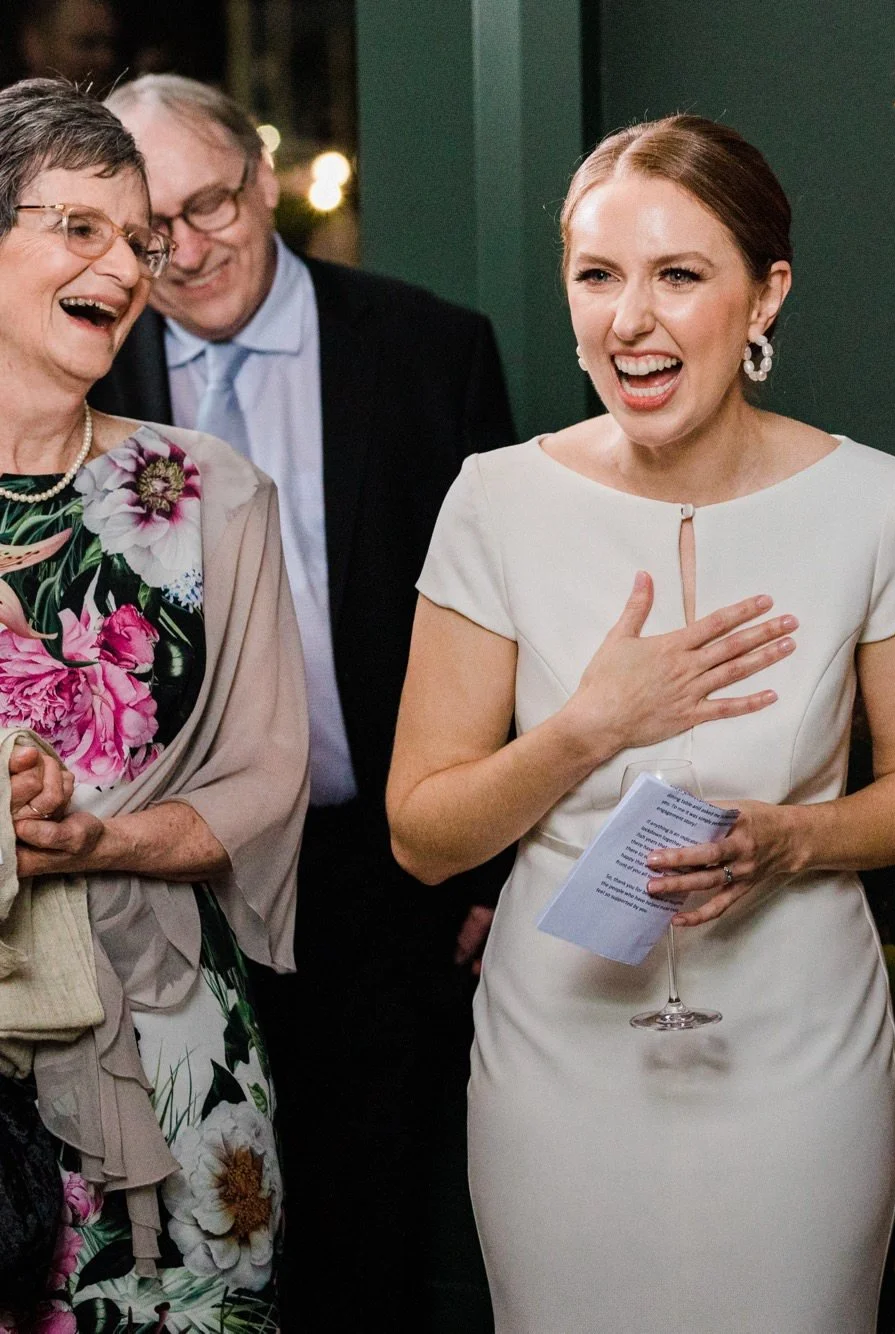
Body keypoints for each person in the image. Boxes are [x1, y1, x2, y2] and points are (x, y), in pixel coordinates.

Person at [386, 114, 895, 1331]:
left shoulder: (877, 504)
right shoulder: (497, 501)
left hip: (797, 1047)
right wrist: (589, 726)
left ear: (767, 295)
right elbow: (423, 836)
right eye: (597, 276)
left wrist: (792, 840)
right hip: (560, 1054)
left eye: (679, 275)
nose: (629, 320)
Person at [88, 74, 517, 1328]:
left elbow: (511, 620)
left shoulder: (431, 349)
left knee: (373, 1220)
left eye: (210, 203)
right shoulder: (91, 370)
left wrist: (490, 864)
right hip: (172, 886)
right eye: (147, 226)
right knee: (194, 1225)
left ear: (263, 180)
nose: (185, 248)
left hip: (386, 861)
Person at [0, 79, 307, 1325]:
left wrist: (101, 837)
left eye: (139, 240)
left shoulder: (206, 492)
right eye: (81, 227)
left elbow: (265, 774)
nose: (127, 266)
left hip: (173, 1046)